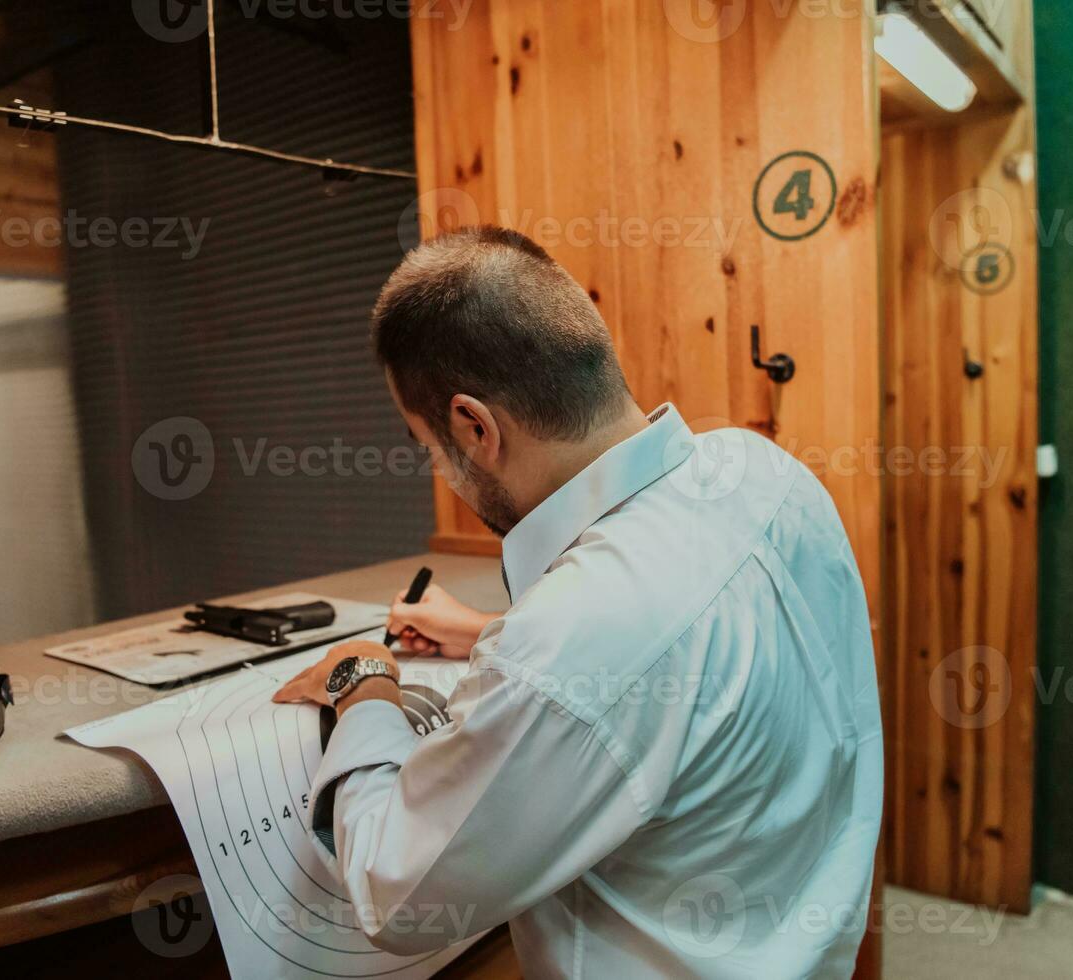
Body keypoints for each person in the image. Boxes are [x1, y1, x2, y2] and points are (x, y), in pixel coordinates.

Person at [273, 226, 882, 978]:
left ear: (474, 427)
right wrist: (492, 635)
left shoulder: (573, 636)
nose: (440, 468)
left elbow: (402, 897)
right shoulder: (763, 470)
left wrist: (360, 682)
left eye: (426, 445)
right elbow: (696, 648)